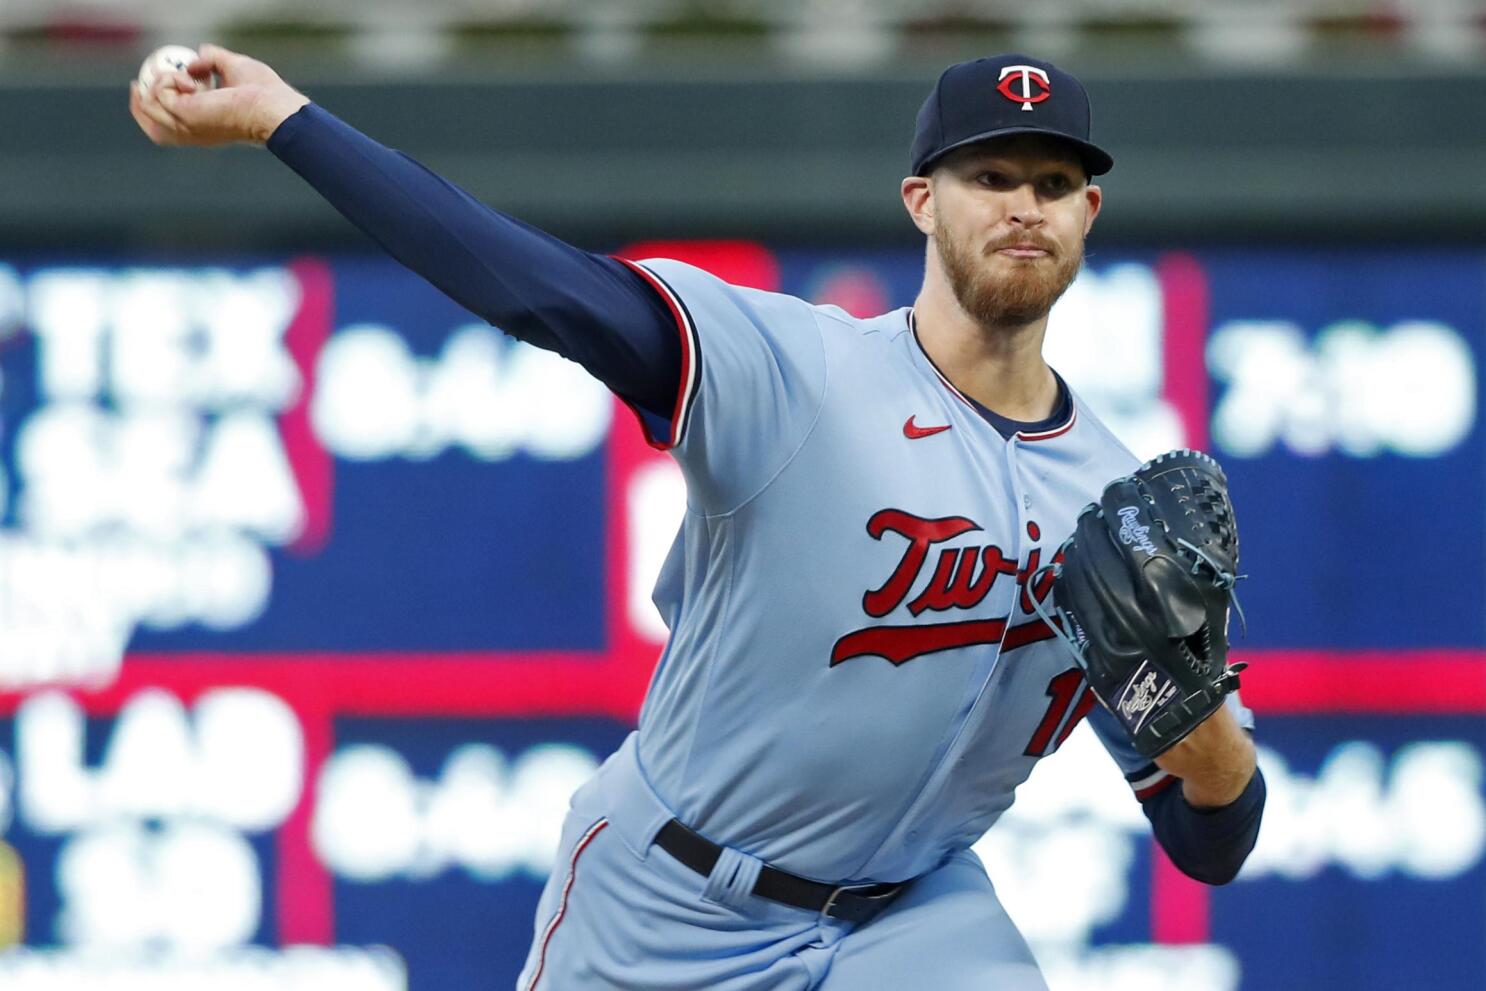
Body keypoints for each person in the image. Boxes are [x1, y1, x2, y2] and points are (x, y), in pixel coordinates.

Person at [130, 48, 1266, 990]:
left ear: (1089, 210)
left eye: (1053, 182)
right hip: (667, 899)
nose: (1024, 205)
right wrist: (288, 118)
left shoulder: (1119, 505)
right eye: (990, 174)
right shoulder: (796, 370)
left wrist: (1195, 711)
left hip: (910, 924)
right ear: (922, 199)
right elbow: (536, 287)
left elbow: (1210, 841)